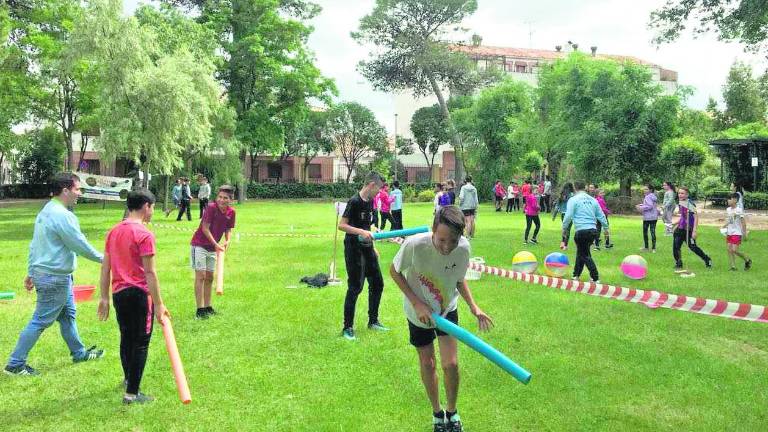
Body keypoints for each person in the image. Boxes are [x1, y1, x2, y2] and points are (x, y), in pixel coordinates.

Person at [390, 205, 493, 432]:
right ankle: (437, 414)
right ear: (434, 229)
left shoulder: (463, 249)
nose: (447, 247)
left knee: (452, 364)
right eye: (442, 240)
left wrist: (474, 307)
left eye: (453, 241)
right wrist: (417, 303)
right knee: (428, 363)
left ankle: (452, 412)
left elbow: (458, 279)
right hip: (419, 315)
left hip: (446, 310)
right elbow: (394, 271)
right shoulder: (416, 245)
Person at [5, 173, 105, 376]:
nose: (79, 193)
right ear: (65, 190)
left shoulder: (47, 210)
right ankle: (15, 364)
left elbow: (35, 245)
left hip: (53, 276)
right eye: (77, 189)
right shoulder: (63, 215)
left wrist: (31, 271)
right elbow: (80, 245)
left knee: (68, 316)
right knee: (41, 320)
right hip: (54, 278)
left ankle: (79, 353)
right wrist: (107, 259)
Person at [98, 189, 169, 404]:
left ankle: (129, 378)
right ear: (146, 206)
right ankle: (132, 393)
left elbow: (105, 268)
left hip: (119, 293)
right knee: (140, 342)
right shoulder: (144, 234)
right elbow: (150, 272)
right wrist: (158, 304)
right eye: (153, 208)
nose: (153, 212)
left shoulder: (113, 231)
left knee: (126, 337)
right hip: (139, 294)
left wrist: (104, 297)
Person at [339, 172, 388, 340]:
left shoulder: (371, 202)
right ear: (371, 185)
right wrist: (360, 232)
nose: (380, 192)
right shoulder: (354, 201)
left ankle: (373, 321)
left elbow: (368, 228)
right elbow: (342, 225)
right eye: (379, 188)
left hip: (367, 248)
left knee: (378, 283)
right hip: (353, 249)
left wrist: (373, 247)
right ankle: (347, 328)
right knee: (355, 287)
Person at [190, 185, 237, 319]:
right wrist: (216, 244)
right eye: (220, 197)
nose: (222, 200)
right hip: (199, 245)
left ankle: (208, 307)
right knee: (201, 276)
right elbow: (205, 228)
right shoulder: (211, 208)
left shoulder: (231, 213)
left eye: (225, 198)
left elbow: (228, 229)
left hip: (212, 248)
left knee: (210, 277)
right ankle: (200, 310)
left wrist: (227, 241)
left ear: (231, 200)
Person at [562, 181, 609, 283]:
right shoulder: (593, 200)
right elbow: (601, 215)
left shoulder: (573, 200)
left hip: (581, 231)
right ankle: (576, 275)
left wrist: (564, 228)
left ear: (575, 188)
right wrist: (606, 228)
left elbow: (568, 216)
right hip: (593, 231)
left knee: (584, 255)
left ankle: (595, 277)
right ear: (585, 188)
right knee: (581, 252)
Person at [672, 187, 712, 271]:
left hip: (689, 230)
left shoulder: (689, 203)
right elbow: (683, 216)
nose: (680, 195)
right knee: (676, 246)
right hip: (680, 228)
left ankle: (707, 259)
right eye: (679, 193)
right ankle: (678, 263)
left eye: (682, 193)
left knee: (693, 247)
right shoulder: (680, 202)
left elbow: (695, 217)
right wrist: (675, 224)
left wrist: (694, 231)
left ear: (687, 194)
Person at [723, 193, 752, 271]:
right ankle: (733, 266)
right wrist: (724, 226)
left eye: (730, 199)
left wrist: (744, 233)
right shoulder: (728, 209)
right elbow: (730, 220)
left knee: (734, 250)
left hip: (737, 232)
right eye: (728, 199)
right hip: (729, 232)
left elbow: (743, 222)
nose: (728, 200)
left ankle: (747, 260)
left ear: (735, 200)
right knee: (729, 249)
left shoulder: (739, 210)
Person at [636, 184, 660, 253]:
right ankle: (653, 248)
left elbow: (650, 206)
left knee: (645, 232)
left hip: (647, 218)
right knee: (653, 232)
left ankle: (646, 247)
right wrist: (642, 205)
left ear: (650, 190)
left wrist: (640, 208)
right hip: (654, 217)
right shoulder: (653, 196)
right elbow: (650, 205)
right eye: (644, 189)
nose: (644, 190)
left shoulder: (647, 197)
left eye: (646, 189)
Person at [553, 182, 574, 251]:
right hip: (570, 214)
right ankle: (565, 245)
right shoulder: (572, 195)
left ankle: (563, 242)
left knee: (565, 228)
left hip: (563, 214)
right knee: (568, 230)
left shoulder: (561, 195)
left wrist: (554, 215)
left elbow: (557, 206)